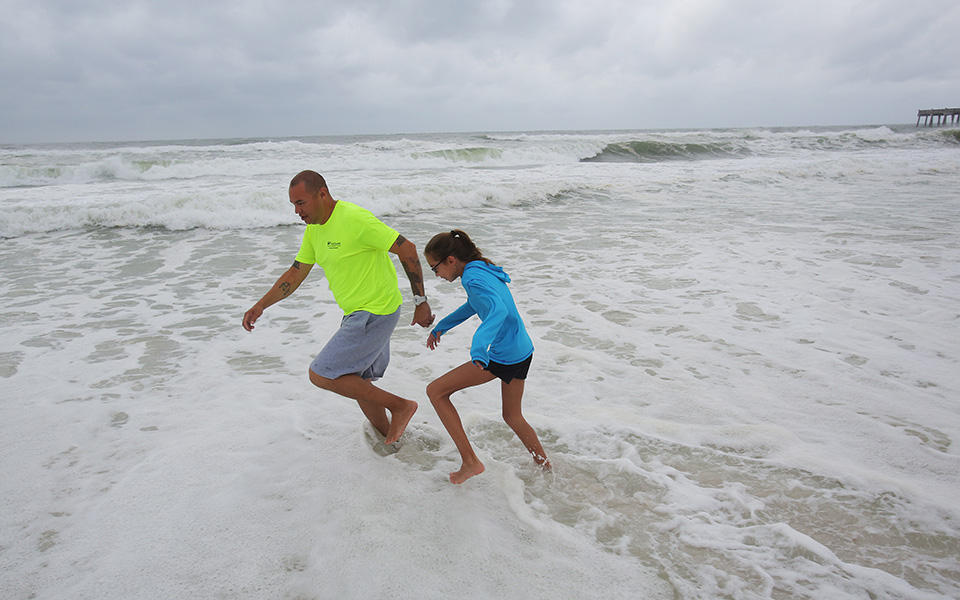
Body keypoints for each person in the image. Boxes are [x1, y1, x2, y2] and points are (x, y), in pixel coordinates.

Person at [243, 170, 434, 445]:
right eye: (293, 205)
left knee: (322, 372)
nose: (297, 211)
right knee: (357, 381)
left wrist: (421, 301)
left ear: (322, 194)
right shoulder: (314, 230)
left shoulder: (355, 219)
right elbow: (295, 273)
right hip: (358, 312)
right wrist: (261, 305)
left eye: (301, 203)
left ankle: (401, 406)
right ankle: (391, 443)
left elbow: (407, 248)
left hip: (374, 311)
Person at [424, 229, 551, 484]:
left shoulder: (472, 278)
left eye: (434, 268)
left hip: (503, 355)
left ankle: (470, 462)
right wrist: (442, 326)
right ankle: (546, 467)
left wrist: (479, 347)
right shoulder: (479, 268)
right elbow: (475, 305)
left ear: (450, 260)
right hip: (523, 349)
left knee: (435, 391)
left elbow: (498, 310)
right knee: (512, 416)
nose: (436, 275)